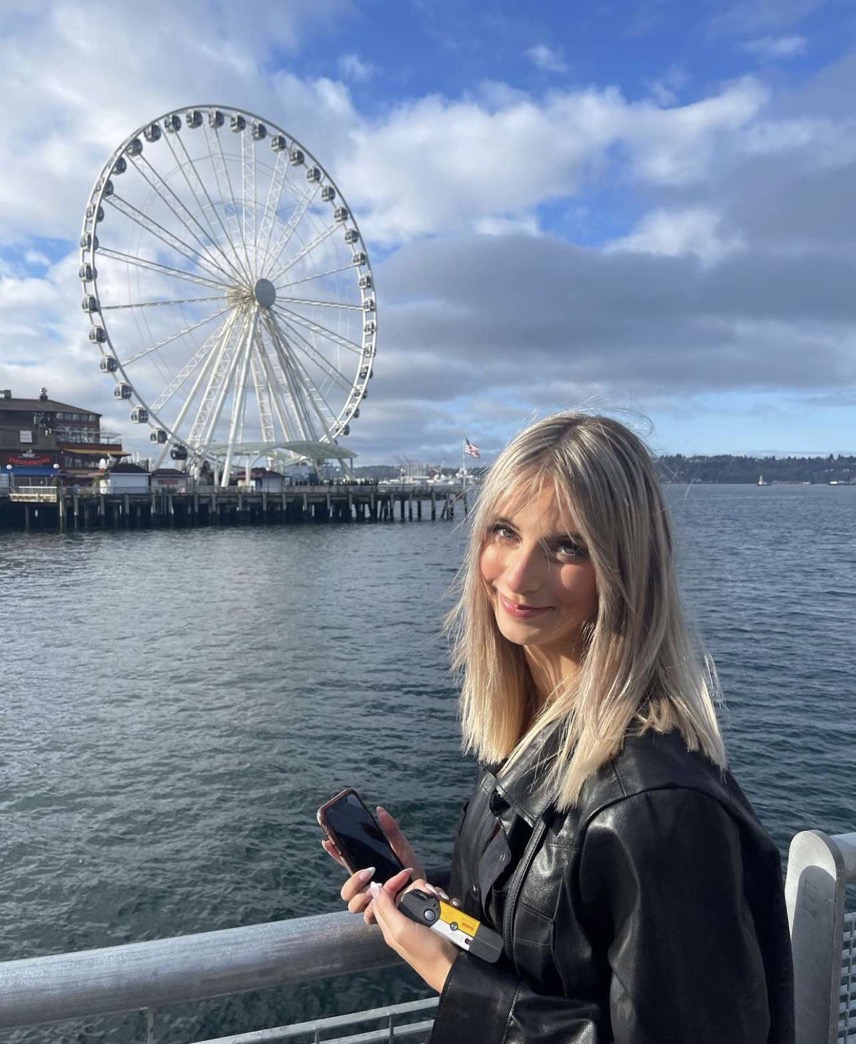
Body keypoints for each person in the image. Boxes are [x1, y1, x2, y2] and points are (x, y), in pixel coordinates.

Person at [323, 412, 794, 1043]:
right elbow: (547, 944)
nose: (517, 577)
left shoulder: (657, 811)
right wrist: (432, 905)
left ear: (624, 570)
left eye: (567, 547)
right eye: (505, 532)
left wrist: (452, 980)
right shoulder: (540, 741)